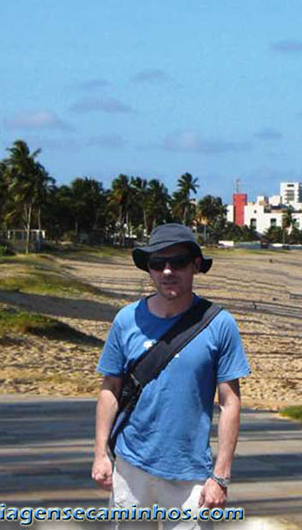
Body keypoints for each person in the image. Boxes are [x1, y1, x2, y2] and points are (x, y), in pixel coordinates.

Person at [91, 223, 250, 529]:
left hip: (191, 475)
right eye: (157, 264)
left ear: (195, 266)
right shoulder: (126, 319)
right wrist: (100, 454)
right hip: (130, 467)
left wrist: (221, 477)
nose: (167, 271)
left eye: (177, 262)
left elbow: (230, 403)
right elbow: (110, 387)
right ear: (148, 270)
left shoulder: (219, 324)